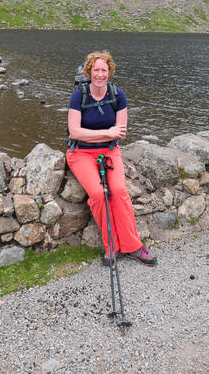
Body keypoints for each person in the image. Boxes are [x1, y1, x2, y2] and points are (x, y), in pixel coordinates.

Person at [67, 50, 156, 267]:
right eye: (95, 70)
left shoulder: (118, 95)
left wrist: (107, 136)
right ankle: (111, 246)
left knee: (119, 191)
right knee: (98, 194)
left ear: (109, 72)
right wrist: (107, 133)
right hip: (81, 152)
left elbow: (121, 131)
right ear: (89, 71)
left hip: (109, 151)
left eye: (103, 70)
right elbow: (75, 132)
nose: (99, 74)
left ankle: (133, 246)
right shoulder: (79, 94)